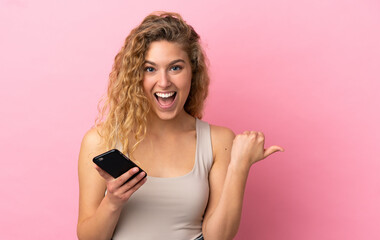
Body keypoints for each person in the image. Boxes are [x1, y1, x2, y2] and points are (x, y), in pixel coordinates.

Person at [77, 11, 284, 240]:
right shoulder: (100, 141)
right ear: (135, 76)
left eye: (175, 67)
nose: (164, 82)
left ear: (192, 72)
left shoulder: (217, 141)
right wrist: (113, 202)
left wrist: (240, 165)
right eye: (150, 69)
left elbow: (218, 237)